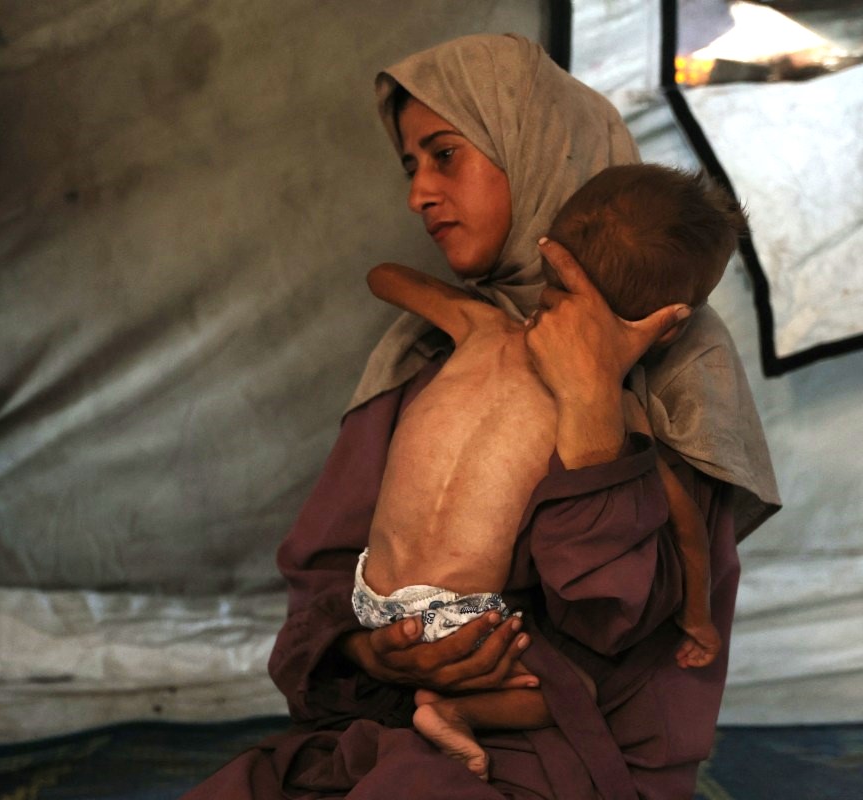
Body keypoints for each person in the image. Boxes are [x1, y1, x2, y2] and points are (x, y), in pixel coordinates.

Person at [184, 33, 779, 800]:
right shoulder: (430, 351)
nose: (418, 194)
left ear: (540, 149)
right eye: (410, 165)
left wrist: (594, 407)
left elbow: (623, 633)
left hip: (571, 760)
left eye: (445, 155)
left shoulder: (674, 376)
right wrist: (376, 657)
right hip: (391, 723)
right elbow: (325, 571)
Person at [357, 162, 746, 778]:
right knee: (576, 693)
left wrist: (466, 298)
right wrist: (696, 618)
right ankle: (454, 714)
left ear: (550, 261)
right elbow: (687, 531)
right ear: (673, 323)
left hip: (367, 598)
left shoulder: (479, 326)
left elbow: (384, 276)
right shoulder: (610, 411)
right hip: (463, 621)